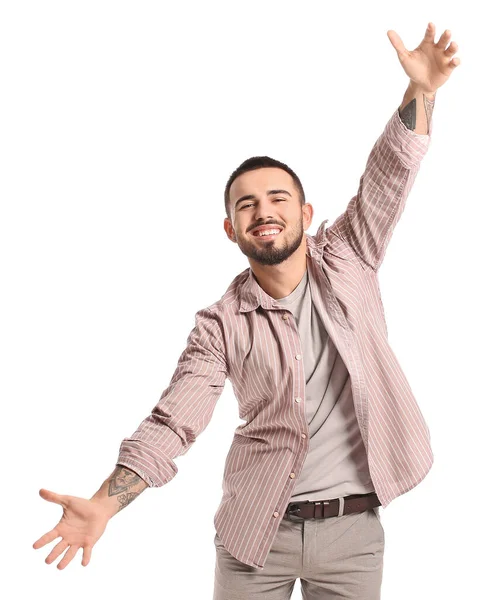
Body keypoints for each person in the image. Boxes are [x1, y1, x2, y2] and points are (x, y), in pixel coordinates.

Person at [33, 22, 460, 599]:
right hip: (255, 531)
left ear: (306, 214)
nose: (265, 211)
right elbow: (174, 423)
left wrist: (421, 92)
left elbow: (390, 175)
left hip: (354, 532)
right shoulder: (219, 324)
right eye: (247, 204)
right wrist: (106, 504)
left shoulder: (351, 256)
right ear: (230, 228)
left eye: (278, 198)